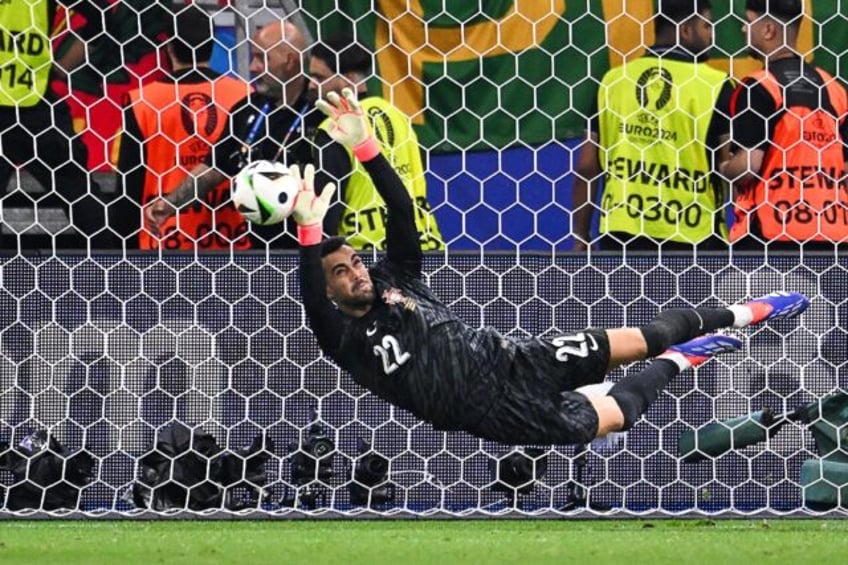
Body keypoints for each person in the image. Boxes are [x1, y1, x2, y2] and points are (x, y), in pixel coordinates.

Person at [287, 88, 810, 446]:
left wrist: (365, 147)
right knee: (611, 418)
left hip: (510, 358)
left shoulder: (394, 278)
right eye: (340, 273)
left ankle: (746, 311)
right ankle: (682, 361)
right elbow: (312, 298)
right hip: (486, 411)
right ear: (330, 291)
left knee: (633, 340)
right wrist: (310, 237)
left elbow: (401, 211)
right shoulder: (343, 339)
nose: (356, 272)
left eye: (354, 261)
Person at [145, 18, 327, 249]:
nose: (252, 67)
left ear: (290, 61)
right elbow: (215, 167)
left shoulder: (320, 113)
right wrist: (170, 204)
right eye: (253, 57)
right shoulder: (247, 109)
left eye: (262, 58)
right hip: (259, 248)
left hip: (314, 247)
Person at [572, 0, 734, 252]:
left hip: (622, 233)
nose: (712, 36)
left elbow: (586, 166)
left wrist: (581, 235)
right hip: (693, 235)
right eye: (707, 26)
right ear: (685, 30)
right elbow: (731, 168)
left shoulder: (613, 81)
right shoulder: (716, 85)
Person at [114, 5, 252, 251]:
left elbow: (129, 188)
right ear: (212, 45)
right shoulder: (243, 95)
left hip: (165, 243)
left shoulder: (143, 101)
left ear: (168, 47)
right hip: (233, 240)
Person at [720, 0, 848, 248]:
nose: (744, 30)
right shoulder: (835, 89)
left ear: (768, 30)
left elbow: (748, 167)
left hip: (771, 236)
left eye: (748, 22)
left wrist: (724, 167)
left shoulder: (759, 86)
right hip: (833, 233)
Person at [309, 34, 443, 252]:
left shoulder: (334, 128)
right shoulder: (398, 116)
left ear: (349, 79)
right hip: (425, 245)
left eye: (320, 77)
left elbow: (327, 207)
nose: (312, 85)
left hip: (364, 254)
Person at [0, 0, 114, 251]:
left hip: (32, 105)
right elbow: (100, 17)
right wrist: (60, 70)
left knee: (82, 200)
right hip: (36, 105)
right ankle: (116, 275)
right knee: (83, 201)